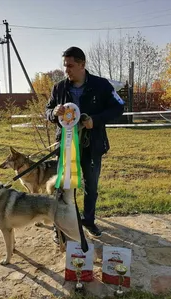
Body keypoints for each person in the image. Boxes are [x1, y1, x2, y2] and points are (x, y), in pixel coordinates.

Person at [45, 46, 124, 242]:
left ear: (82, 64)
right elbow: (47, 110)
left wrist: (95, 120)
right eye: (65, 66)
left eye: (70, 66)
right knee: (63, 186)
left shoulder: (102, 85)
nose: (67, 70)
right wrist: (54, 112)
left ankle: (88, 221)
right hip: (65, 145)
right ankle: (61, 225)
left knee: (91, 186)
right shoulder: (59, 88)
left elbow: (119, 107)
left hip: (92, 145)